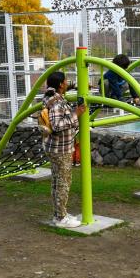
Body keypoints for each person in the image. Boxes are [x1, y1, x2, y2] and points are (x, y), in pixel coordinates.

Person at [43, 71, 86, 228]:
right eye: (66, 81)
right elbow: (56, 125)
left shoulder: (52, 95)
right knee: (63, 182)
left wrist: (84, 86)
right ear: (61, 84)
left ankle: (58, 214)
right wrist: (76, 114)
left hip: (56, 147)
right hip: (60, 149)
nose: (68, 82)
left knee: (57, 181)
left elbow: (65, 88)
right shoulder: (56, 103)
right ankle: (61, 217)